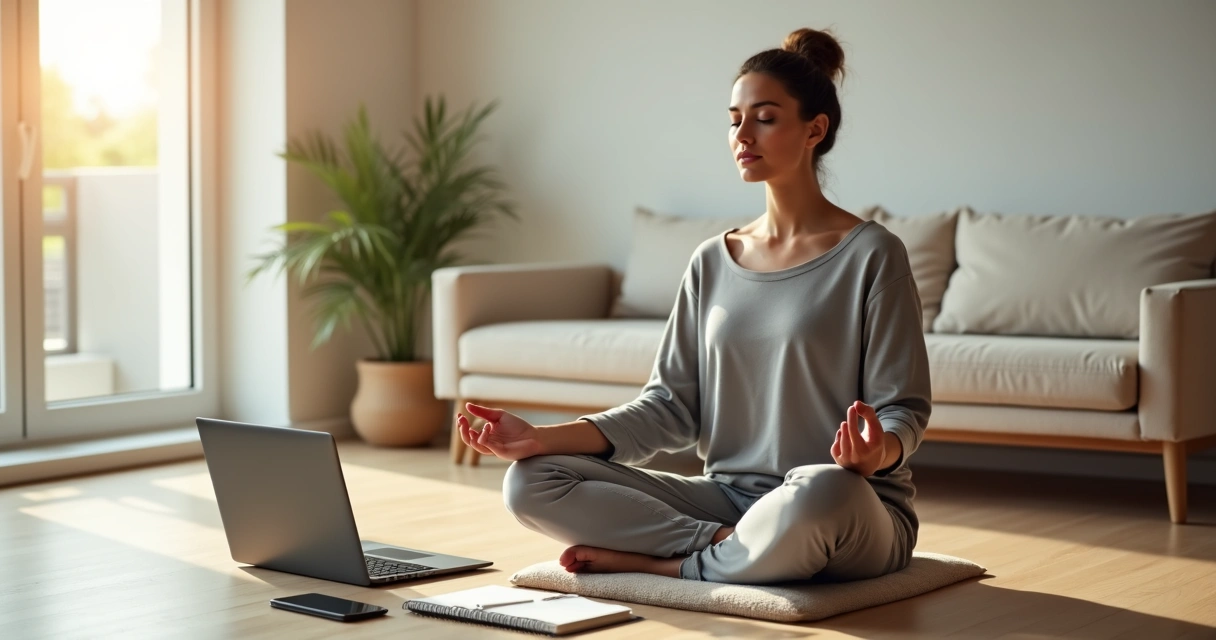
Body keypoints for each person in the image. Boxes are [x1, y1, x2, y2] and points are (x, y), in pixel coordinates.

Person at [454, 27, 931, 585]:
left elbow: (903, 409)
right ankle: (726, 548)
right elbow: (669, 408)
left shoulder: (873, 254)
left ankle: (667, 563)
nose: (742, 135)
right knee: (530, 481)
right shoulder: (712, 260)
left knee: (820, 487)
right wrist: (541, 438)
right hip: (729, 500)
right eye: (734, 119)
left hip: (848, 503)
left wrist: (877, 454)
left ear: (815, 129)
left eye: (764, 118)